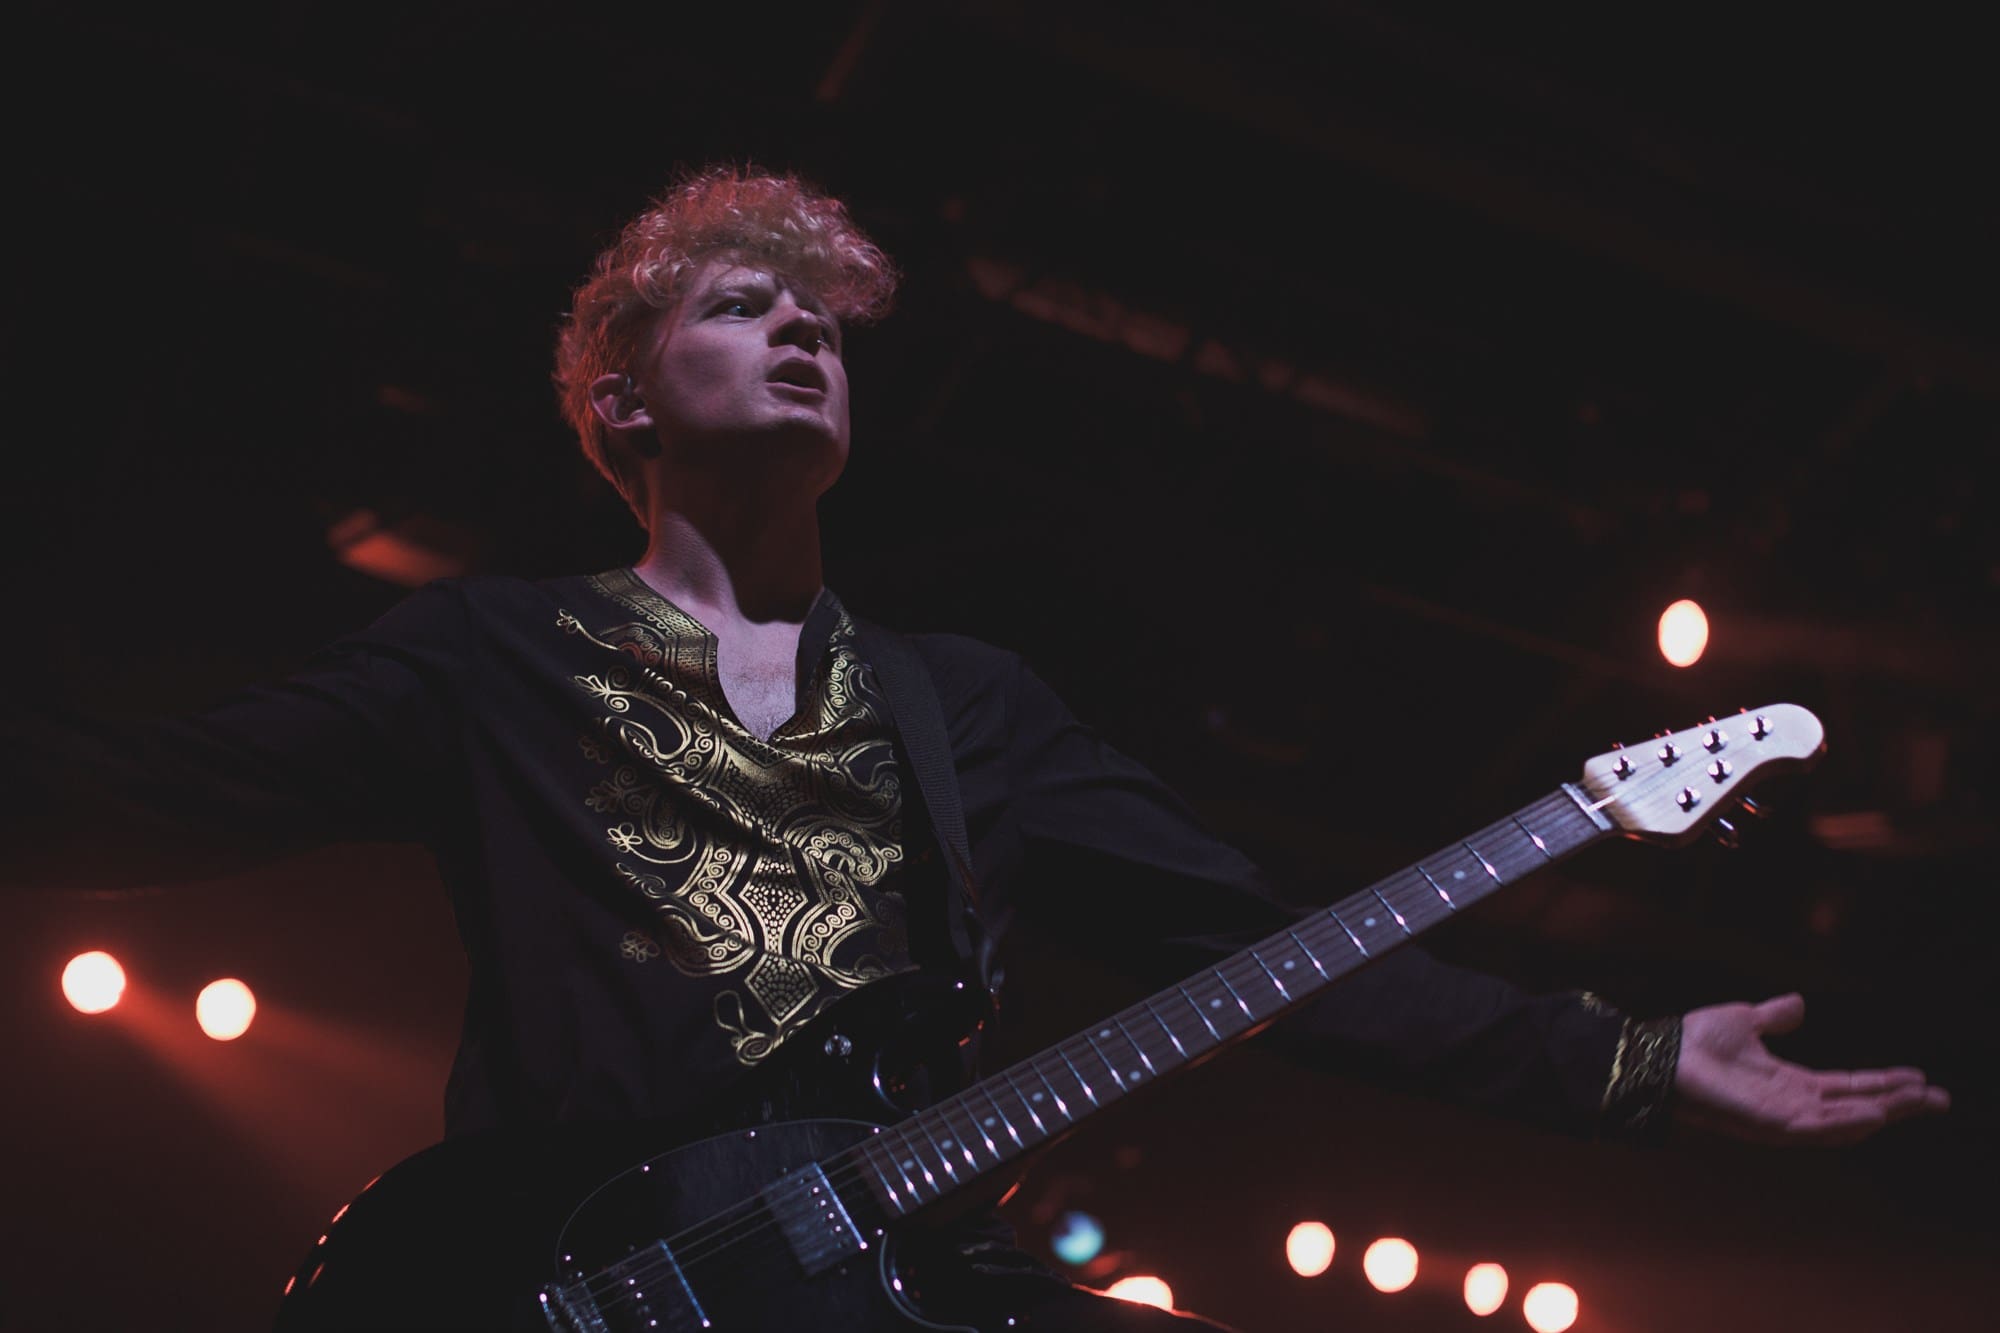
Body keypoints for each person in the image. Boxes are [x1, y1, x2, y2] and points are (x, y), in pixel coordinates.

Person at [3, 165, 1949, 1332]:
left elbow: (1262, 944)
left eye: (825, 322)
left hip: (879, 1271)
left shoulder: (970, 708)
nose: (802, 334)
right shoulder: (493, 654)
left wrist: (1621, 1060)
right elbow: (162, 794)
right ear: (618, 397)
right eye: (743, 305)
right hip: (556, 1279)